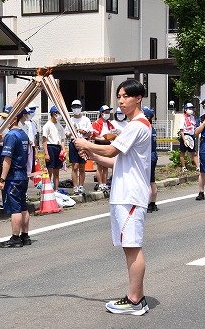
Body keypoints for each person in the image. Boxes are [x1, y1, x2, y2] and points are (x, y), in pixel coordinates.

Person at [74, 79, 150, 316]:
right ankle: (137, 296)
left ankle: (135, 300)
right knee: (128, 248)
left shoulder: (138, 125)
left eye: (126, 96)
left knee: (132, 246)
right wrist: (92, 156)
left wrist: (88, 143)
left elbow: (110, 150)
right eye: (119, 96)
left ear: (138, 98)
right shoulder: (131, 126)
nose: (121, 100)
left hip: (131, 194)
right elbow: (115, 161)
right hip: (124, 193)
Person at [0, 108, 31, 248]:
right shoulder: (23, 134)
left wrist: (2, 179)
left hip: (13, 175)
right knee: (23, 205)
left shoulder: (11, 135)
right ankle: (25, 236)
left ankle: (15, 237)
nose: (4, 120)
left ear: (14, 119)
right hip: (23, 174)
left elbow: (7, 159)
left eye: (6, 117)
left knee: (15, 207)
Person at [65, 99, 93, 195]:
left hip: (84, 143)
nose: (76, 109)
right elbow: (66, 133)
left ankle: (81, 186)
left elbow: (90, 133)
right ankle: (75, 187)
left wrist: (83, 132)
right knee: (75, 166)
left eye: (77, 107)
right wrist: (71, 133)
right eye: (74, 107)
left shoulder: (86, 119)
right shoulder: (70, 120)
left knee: (82, 166)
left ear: (81, 108)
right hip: (73, 143)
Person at [42, 106, 65, 192]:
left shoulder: (60, 126)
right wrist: (46, 153)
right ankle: (48, 190)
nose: (59, 115)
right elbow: (44, 140)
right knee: (50, 170)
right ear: (53, 114)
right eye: (58, 113)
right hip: (50, 147)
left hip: (58, 147)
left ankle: (56, 189)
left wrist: (63, 150)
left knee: (57, 171)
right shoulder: (47, 125)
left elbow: (62, 140)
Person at [92, 105, 114, 191]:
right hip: (99, 144)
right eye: (106, 112)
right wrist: (102, 139)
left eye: (108, 112)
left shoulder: (109, 124)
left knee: (106, 166)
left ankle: (105, 184)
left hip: (107, 144)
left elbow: (113, 133)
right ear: (101, 113)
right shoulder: (96, 123)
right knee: (100, 165)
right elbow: (93, 136)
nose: (107, 114)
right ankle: (100, 184)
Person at [143, 107, 158, 213]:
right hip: (153, 154)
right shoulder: (152, 128)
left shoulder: (145, 128)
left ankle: (147, 204)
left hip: (147, 155)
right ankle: (153, 203)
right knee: (152, 181)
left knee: (147, 182)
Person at [178, 102, 200, 172]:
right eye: (189, 108)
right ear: (185, 109)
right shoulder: (183, 118)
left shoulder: (192, 118)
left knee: (194, 152)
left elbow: (194, 127)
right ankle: (183, 167)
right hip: (185, 136)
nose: (191, 110)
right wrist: (184, 140)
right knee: (183, 152)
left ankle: (198, 167)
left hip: (191, 136)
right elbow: (181, 130)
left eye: (192, 109)